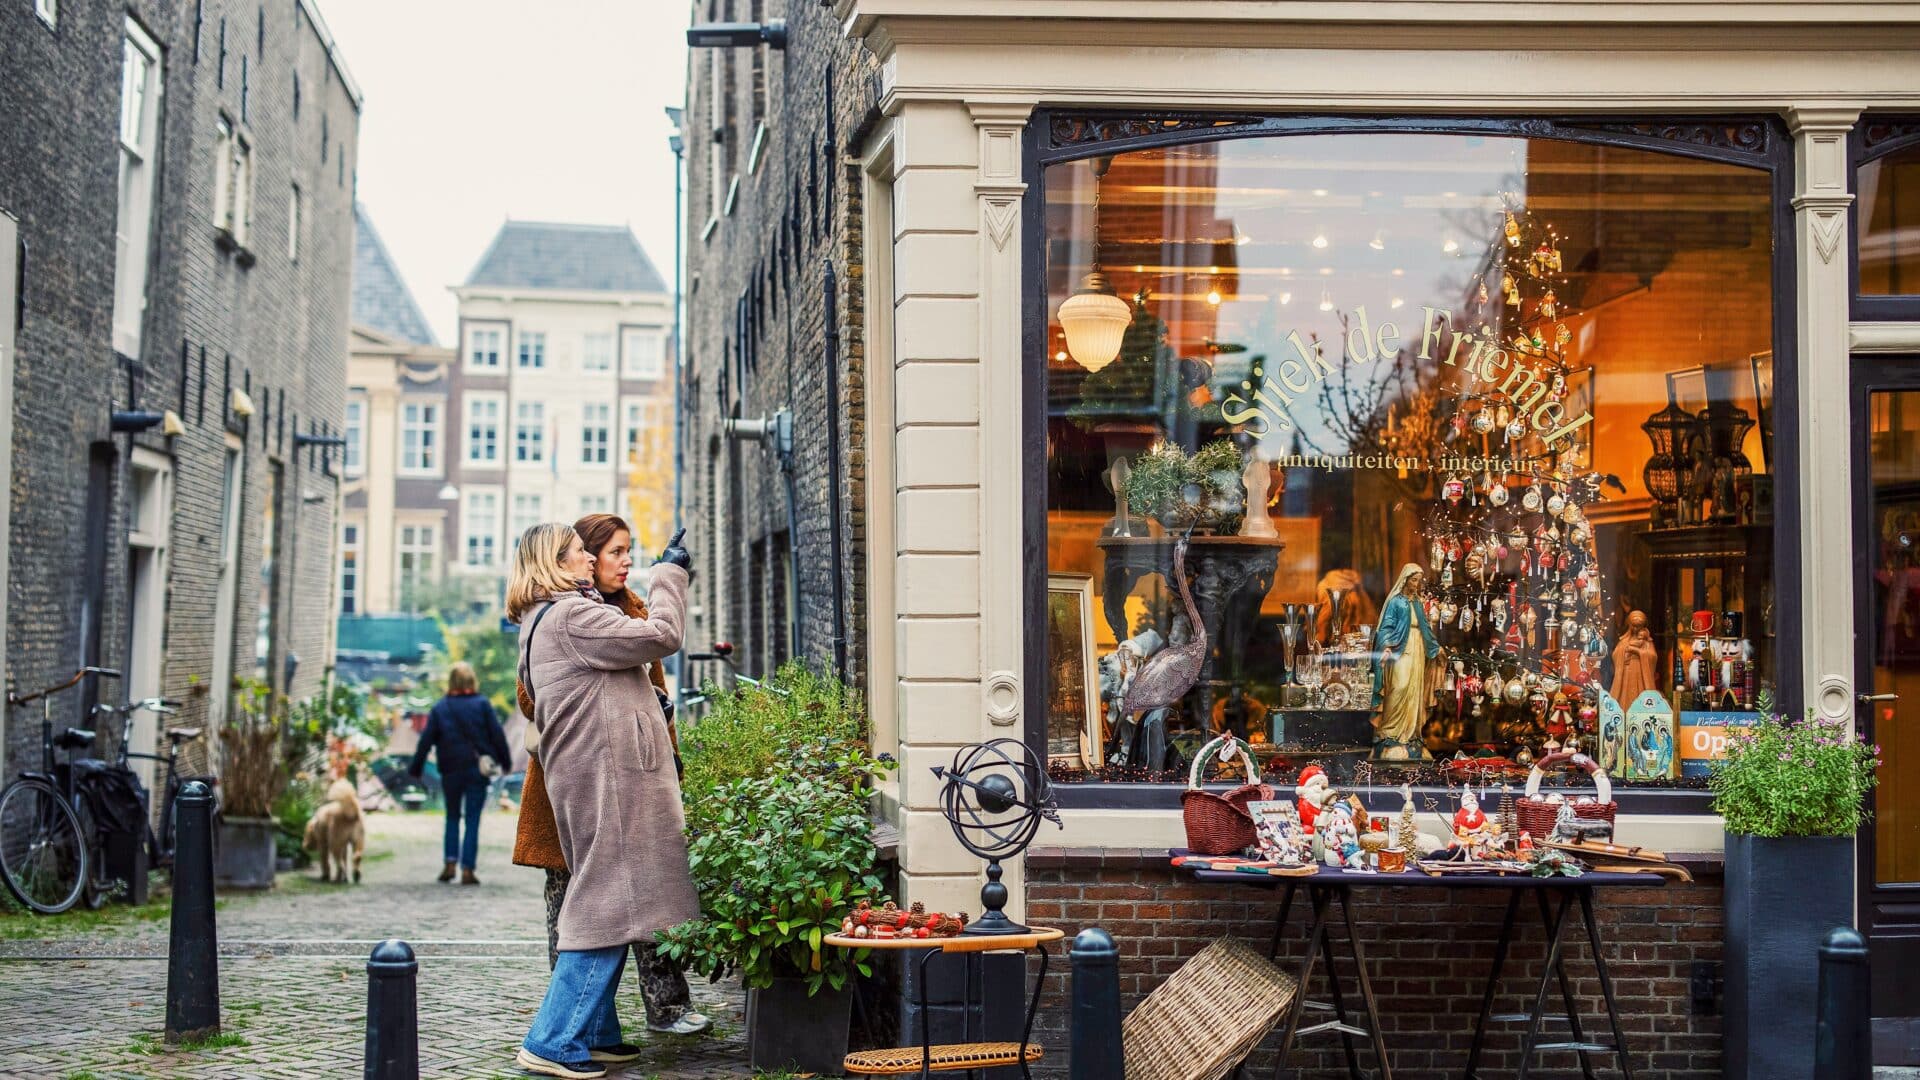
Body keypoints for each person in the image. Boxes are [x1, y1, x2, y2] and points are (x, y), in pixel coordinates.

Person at [508, 522, 700, 1080]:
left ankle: (596, 1032)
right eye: (579, 555)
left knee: (621, 902)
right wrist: (669, 573)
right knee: (607, 904)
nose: (590, 562)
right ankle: (551, 1039)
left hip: (598, 781)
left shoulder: (546, 619)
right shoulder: (571, 616)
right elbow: (662, 634)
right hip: (609, 786)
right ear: (555, 563)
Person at [409, 662, 512, 885]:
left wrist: (416, 768)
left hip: (451, 771)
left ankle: (449, 863)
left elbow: (426, 741)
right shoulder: (482, 704)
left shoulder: (441, 708)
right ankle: (467, 869)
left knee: (453, 816)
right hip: (477, 770)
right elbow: (497, 735)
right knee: (473, 819)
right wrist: (505, 761)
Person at [1371, 563, 1440, 761]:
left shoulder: (1417, 603)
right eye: (1413, 580)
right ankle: (1390, 733)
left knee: (1414, 690)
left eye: (1419, 580)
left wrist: (1435, 648)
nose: (1416, 584)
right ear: (1405, 579)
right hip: (1399, 649)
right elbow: (1385, 627)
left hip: (1417, 647)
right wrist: (1385, 646)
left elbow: (1426, 628)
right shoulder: (1396, 602)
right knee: (1399, 687)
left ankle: (1411, 736)